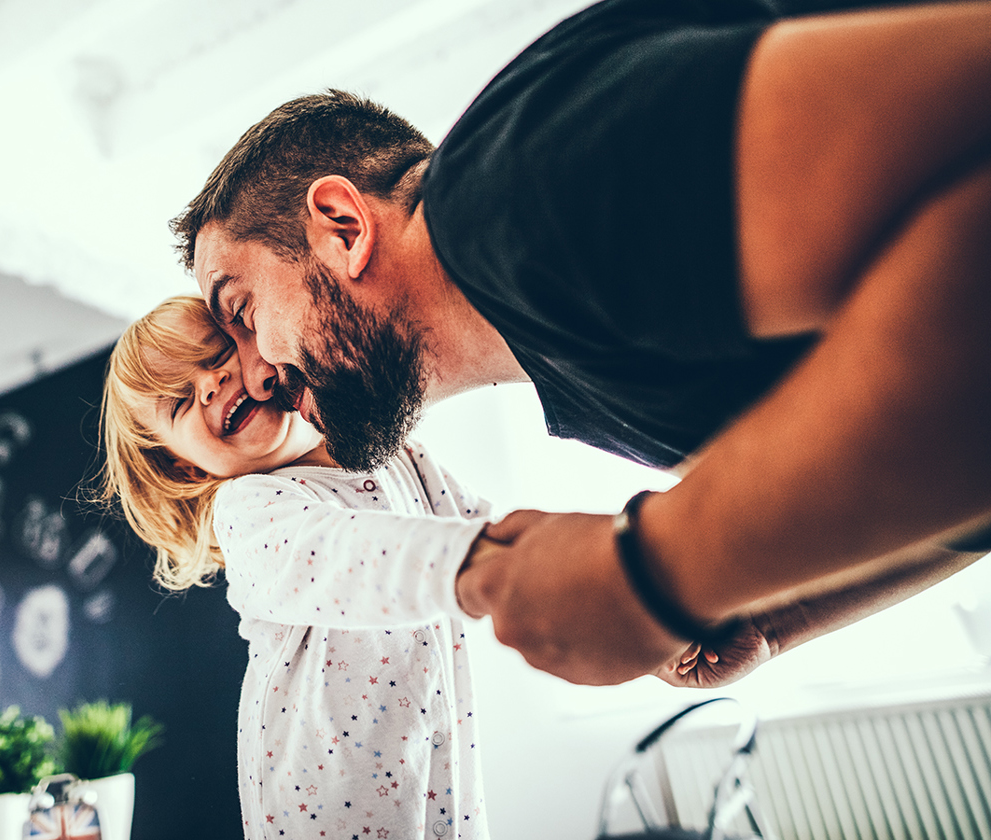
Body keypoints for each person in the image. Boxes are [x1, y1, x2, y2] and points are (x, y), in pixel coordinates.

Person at [170, 0, 991, 685]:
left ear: (344, 227)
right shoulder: (567, 366)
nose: (257, 375)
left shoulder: (515, 191)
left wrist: (656, 575)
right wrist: (774, 613)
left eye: (240, 312)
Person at [99, 295, 493, 839]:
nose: (209, 385)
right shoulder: (249, 509)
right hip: (328, 814)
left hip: (442, 797)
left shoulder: (402, 458)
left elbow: (499, 534)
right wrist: (499, 570)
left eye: (216, 354)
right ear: (186, 467)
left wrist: (628, 609)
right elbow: (351, 557)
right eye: (179, 403)